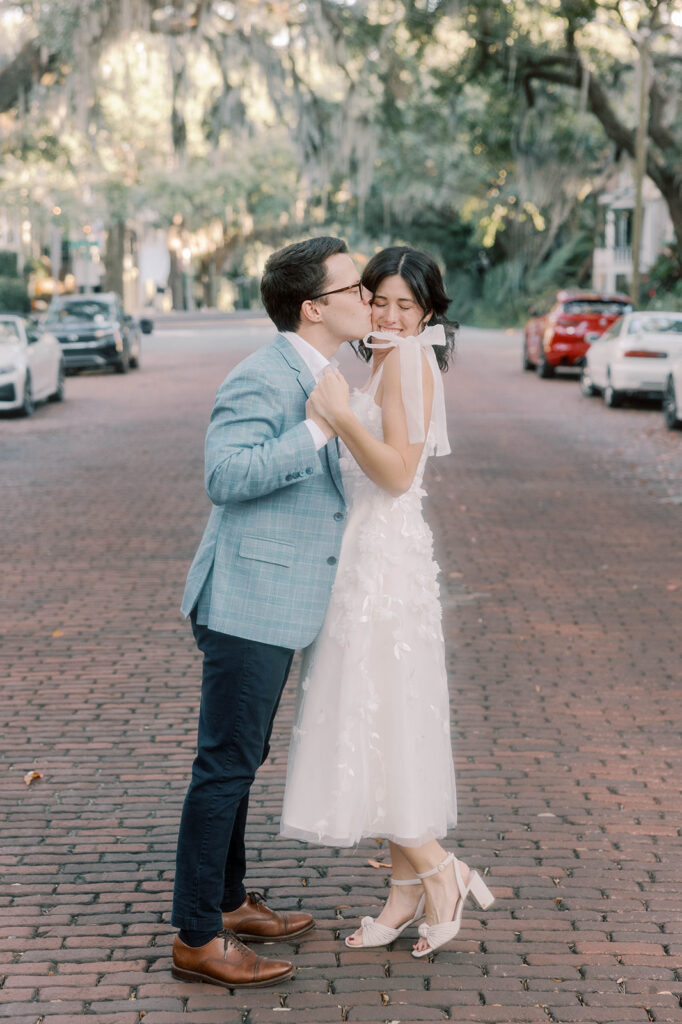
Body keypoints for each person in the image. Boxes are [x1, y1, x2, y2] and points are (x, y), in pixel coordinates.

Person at [280, 245, 494, 957]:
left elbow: (399, 474)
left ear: (429, 311)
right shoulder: (383, 359)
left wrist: (341, 420)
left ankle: (440, 870)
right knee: (383, 721)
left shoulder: (403, 360)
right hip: (367, 560)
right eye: (380, 300)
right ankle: (405, 892)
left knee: (374, 718)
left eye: (407, 304)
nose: (390, 314)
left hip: (384, 567)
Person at [171, 236, 372, 989]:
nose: (367, 298)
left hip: (276, 603)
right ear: (314, 307)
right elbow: (225, 476)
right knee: (223, 764)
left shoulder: (320, 372)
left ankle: (226, 902)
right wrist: (319, 429)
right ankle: (196, 936)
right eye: (354, 289)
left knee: (241, 760)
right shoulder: (264, 375)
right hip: (246, 602)